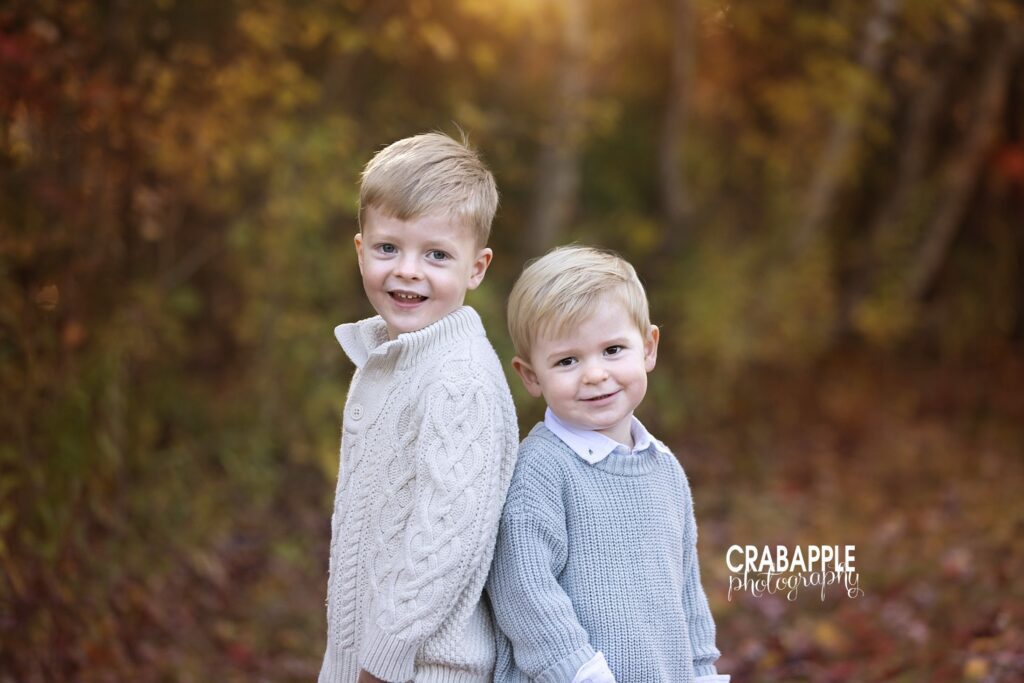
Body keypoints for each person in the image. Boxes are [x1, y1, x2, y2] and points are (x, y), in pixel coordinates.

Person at [319, 132, 519, 683]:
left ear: (476, 268)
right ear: (360, 249)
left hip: (423, 669)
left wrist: (380, 663)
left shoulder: (458, 377)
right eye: (389, 248)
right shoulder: (397, 359)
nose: (408, 270)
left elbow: (444, 540)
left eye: (436, 255)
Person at [487, 245, 729, 683]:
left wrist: (701, 673)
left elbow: (687, 593)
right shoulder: (542, 470)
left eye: (613, 349)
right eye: (567, 360)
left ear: (649, 348)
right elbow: (522, 590)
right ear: (530, 376)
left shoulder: (666, 470)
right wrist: (582, 674)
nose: (595, 374)